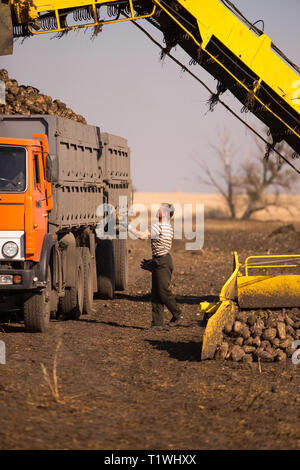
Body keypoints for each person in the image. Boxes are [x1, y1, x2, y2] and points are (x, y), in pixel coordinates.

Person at [122, 203, 183, 330]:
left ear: (165, 213)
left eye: (161, 209)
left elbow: (140, 236)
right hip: (162, 260)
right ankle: (157, 323)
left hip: (162, 263)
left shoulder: (158, 226)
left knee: (162, 291)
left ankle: (177, 314)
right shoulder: (168, 227)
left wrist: (127, 226)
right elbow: (167, 246)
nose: (158, 210)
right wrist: (155, 260)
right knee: (155, 293)